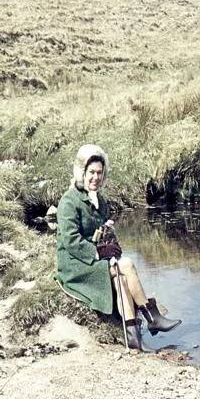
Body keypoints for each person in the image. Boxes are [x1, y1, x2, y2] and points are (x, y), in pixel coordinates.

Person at [55, 144, 181, 352]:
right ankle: (151, 317)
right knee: (127, 265)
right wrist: (98, 252)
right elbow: (70, 241)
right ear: (82, 173)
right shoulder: (69, 201)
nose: (95, 177)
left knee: (121, 277)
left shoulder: (100, 200)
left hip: (94, 258)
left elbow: (106, 232)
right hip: (74, 263)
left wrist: (112, 246)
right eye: (91, 173)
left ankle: (133, 337)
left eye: (99, 173)